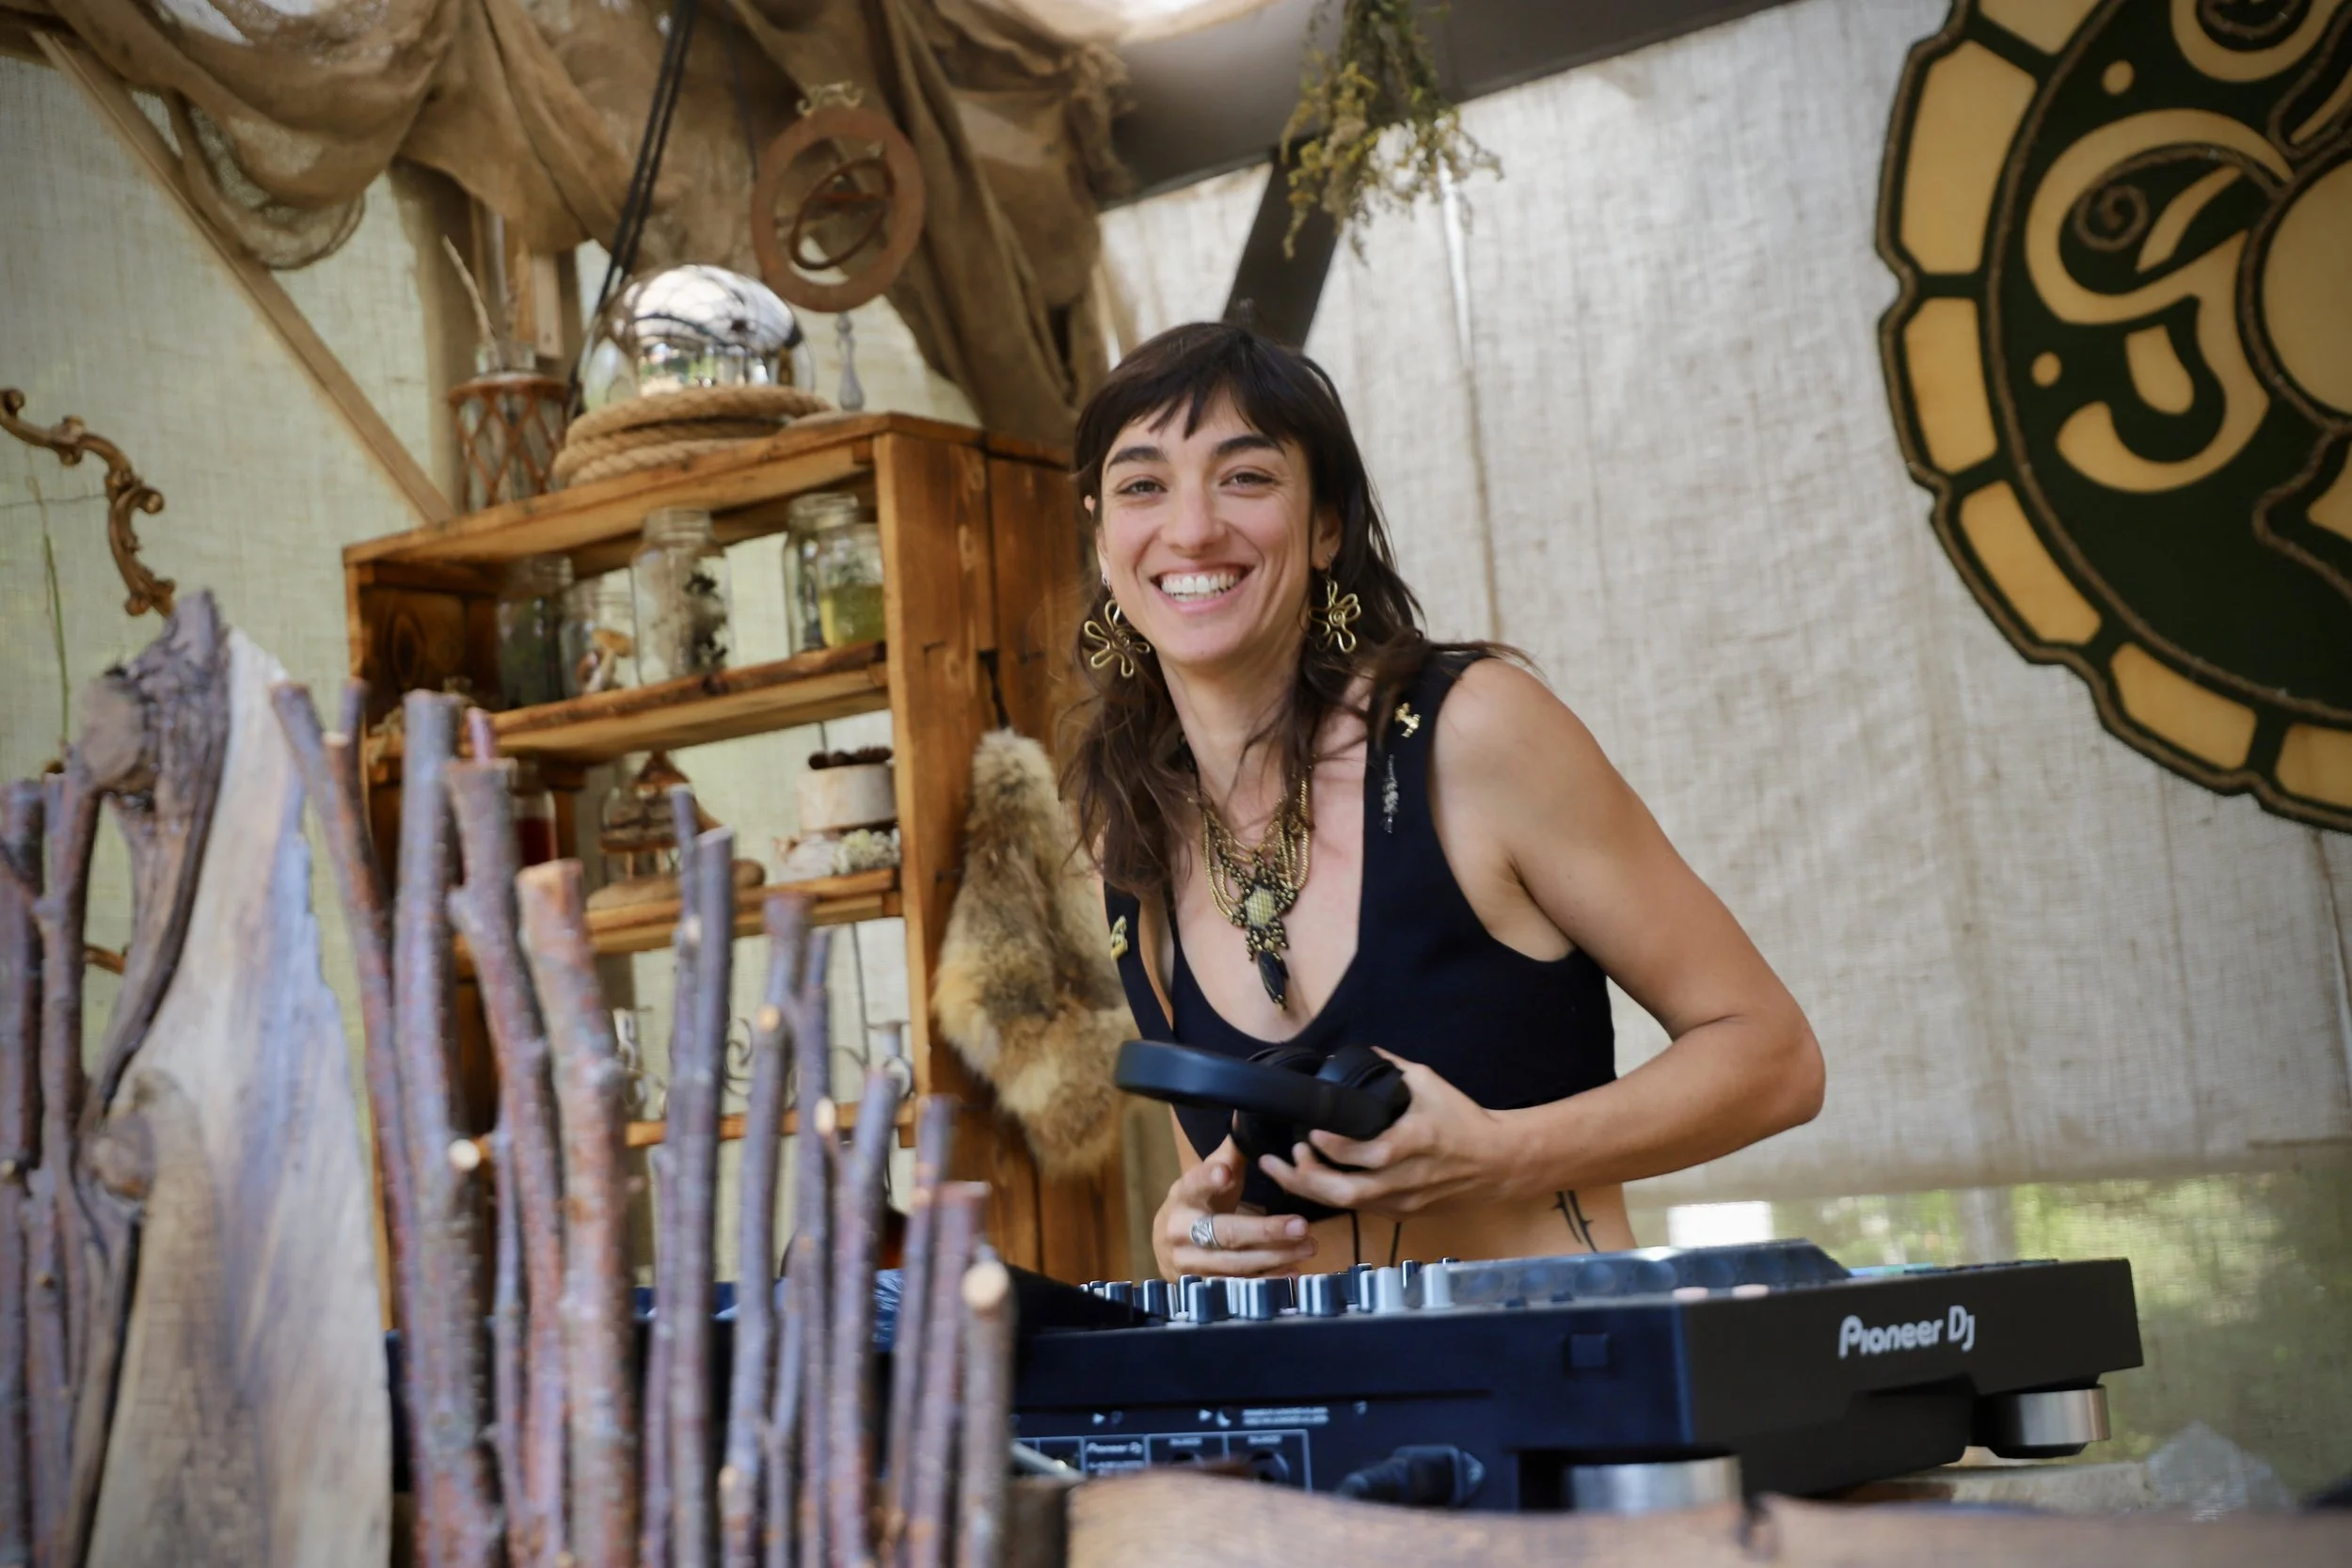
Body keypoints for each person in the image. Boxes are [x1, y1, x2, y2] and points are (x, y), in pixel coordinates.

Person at [1064, 322, 1823, 1281]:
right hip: (1310, 1384)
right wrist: (1191, 1235)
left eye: (1245, 476)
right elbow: (1219, 1181)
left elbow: (1775, 1057)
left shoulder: (1473, 732)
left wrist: (1502, 1153)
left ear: (1327, 526)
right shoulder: (1130, 834)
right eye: (1142, 486)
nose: (1191, 529)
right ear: (1102, 540)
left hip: (1562, 1363)